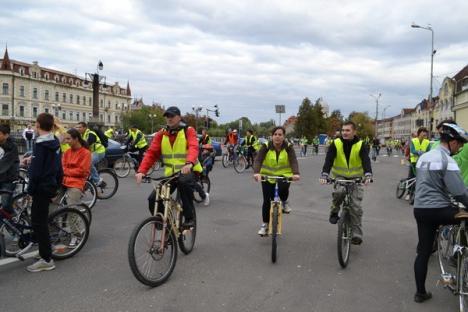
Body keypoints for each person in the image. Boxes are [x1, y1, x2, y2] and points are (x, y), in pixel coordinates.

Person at [412, 123, 468, 303]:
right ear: (451, 142)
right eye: (459, 144)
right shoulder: (447, 161)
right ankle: (457, 255)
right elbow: (460, 192)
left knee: (423, 252)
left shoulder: (424, 157)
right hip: (440, 210)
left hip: (420, 210)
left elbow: (426, 182)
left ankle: (420, 293)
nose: (460, 148)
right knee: (464, 215)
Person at [136, 106, 205, 226]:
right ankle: (166, 226)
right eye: (167, 116)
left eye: (172, 116)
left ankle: (190, 218)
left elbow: (194, 147)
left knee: (184, 184)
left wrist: (189, 163)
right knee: (153, 199)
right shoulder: (161, 134)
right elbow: (151, 153)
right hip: (171, 175)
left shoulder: (188, 130)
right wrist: (142, 171)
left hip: (189, 170)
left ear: (179, 117)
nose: (169, 118)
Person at [320, 121, 372, 245]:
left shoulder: (361, 145)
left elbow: (366, 160)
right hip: (340, 176)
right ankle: (334, 210)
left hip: (356, 178)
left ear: (354, 132)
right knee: (339, 192)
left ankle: (356, 234)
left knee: (356, 207)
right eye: (343, 130)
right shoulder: (336, 143)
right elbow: (329, 159)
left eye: (348, 130)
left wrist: (368, 174)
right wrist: (325, 174)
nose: (344, 132)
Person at [26, 113, 62, 272]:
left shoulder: (40, 144)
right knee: (41, 221)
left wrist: (30, 191)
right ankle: (44, 249)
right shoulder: (54, 142)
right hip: (50, 186)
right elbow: (58, 169)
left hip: (40, 188)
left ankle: (46, 259)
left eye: (35, 123)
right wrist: (56, 187)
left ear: (39, 125)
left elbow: (35, 172)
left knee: (38, 222)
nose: (34, 125)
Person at [253, 126, 300, 235]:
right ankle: (265, 225)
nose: (277, 137)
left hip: (284, 176)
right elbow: (258, 160)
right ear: (272, 136)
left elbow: (293, 160)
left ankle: (284, 201)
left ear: (284, 136)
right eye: (275, 134)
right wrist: (256, 172)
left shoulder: (288, 147)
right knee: (266, 201)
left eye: (280, 134)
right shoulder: (266, 146)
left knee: (283, 191)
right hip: (267, 177)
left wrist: (296, 174)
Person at [61, 128, 91, 205]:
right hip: (63, 181)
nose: (66, 141)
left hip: (76, 183)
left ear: (76, 139)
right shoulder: (67, 152)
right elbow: (62, 167)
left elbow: (82, 171)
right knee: (52, 204)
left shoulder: (86, 153)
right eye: (66, 139)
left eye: (68, 139)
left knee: (71, 210)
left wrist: (65, 171)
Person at [76, 122, 106, 186]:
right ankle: (89, 181)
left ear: (85, 127)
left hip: (99, 151)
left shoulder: (90, 133)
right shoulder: (82, 135)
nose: (78, 129)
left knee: (88, 163)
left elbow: (87, 144)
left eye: (80, 127)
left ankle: (97, 180)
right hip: (92, 152)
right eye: (77, 127)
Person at [0, 124, 19, 217]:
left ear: (6, 135)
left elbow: (3, 164)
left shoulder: (12, 147)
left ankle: (14, 220)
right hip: (1, 177)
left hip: (9, 179)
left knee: (5, 204)